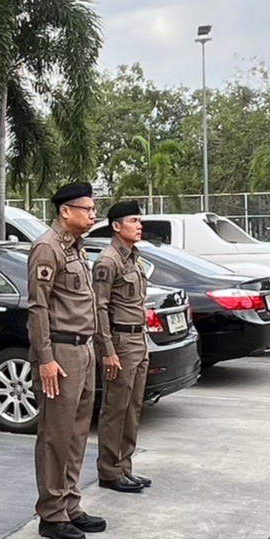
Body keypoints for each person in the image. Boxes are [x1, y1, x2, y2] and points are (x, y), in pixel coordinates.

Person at [28, 181, 104, 539]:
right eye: (87, 209)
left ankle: (70, 503)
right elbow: (38, 307)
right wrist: (45, 358)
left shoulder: (76, 247)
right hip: (60, 352)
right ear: (65, 211)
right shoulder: (48, 247)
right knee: (55, 435)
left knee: (76, 434)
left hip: (82, 349)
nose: (93, 214)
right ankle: (52, 513)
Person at [92, 199, 154, 495]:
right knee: (115, 408)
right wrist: (108, 350)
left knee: (132, 407)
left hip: (138, 340)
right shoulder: (108, 261)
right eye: (133, 221)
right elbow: (99, 308)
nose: (139, 226)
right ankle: (109, 470)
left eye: (139, 221)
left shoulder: (133, 258)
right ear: (116, 227)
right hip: (120, 341)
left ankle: (124, 466)